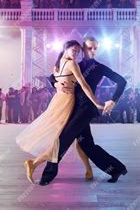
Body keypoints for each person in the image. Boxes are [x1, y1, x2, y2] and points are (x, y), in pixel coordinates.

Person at [38, 37, 128, 186]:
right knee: (87, 145)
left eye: (95, 48)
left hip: (86, 109)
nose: (93, 51)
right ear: (83, 49)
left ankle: (47, 176)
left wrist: (112, 100)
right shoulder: (75, 64)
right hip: (74, 107)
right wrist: (56, 84)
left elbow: (122, 81)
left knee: (63, 138)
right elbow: (52, 76)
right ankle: (116, 169)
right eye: (89, 48)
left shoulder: (99, 67)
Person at [16, 40, 104, 184]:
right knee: (61, 140)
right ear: (66, 49)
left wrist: (57, 84)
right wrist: (96, 103)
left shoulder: (56, 65)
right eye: (73, 50)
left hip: (58, 100)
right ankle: (34, 163)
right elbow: (84, 85)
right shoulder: (71, 64)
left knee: (77, 137)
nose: (76, 53)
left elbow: (55, 79)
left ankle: (88, 169)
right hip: (68, 103)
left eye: (78, 51)